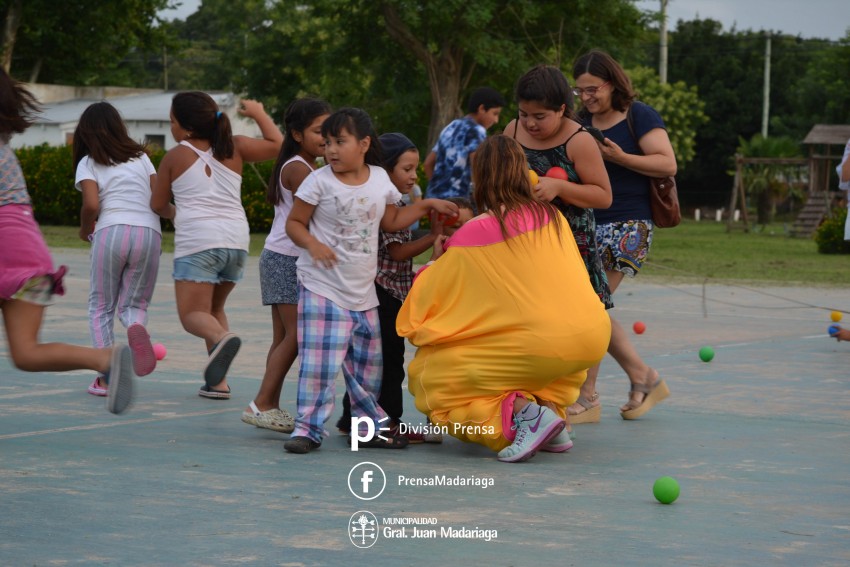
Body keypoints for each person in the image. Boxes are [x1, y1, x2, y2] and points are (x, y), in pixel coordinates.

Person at [397, 135, 611, 463]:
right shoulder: (554, 217)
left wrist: (434, 261)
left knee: (435, 376)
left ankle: (526, 417)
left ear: (480, 177)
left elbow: (425, 300)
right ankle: (552, 416)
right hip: (590, 338)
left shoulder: (475, 232)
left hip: (541, 345)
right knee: (528, 356)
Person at [283, 108, 458, 454]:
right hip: (322, 287)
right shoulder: (318, 181)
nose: (331, 149)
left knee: (367, 368)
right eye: (327, 142)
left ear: (363, 144)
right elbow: (294, 223)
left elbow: (392, 221)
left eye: (340, 141)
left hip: (363, 293)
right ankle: (307, 429)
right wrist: (313, 244)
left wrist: (426, 207)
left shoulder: (379, 178)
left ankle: (369, 428)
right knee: (319, 364)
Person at [0, 69, 135, 414]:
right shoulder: (3, 146)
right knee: (26, 353)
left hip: (8, 249)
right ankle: (105, 358)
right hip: (27, 255)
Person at [151, 92, 283, 400]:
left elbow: (158, 205)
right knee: (213, 309)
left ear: (186, 128)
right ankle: (218, 383)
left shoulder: (175, 155)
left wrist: (175, 212)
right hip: (236, 242)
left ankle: (222, 338)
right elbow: (278, 146)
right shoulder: (234, 146)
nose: (171, 128)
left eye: (172, 122)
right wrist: (259, 113)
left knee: (192, 316)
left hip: (199, 242)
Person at [570, 50, 675, 421]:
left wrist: (620, 158)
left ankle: (587, 396)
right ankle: (642, 376)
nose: (586, 98)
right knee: (590, 305)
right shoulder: (579, 122)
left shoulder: (638, 115)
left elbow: (667, 162)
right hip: (586, 225)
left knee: (589, 305)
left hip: (629, 225)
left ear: (611, 84)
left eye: (592, 89)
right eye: (579, 91)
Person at [336, 132, 446, 442]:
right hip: (381, 291)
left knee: (368, 359)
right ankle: (387, 420)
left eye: (414, 169)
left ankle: (352, 417)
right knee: (387, 359)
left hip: (383, 289)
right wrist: (431, 236)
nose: (413, 176)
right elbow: (397, 251)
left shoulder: (392, 199)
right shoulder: (386, 201)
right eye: (406, 169)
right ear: (386, 168)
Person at [240, 97, 331, 433]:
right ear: (296, 134)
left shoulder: (305, 166)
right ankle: (261, 403)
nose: (327, 139)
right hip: (286, 260)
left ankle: (268, 404)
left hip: (282, 257)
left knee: (283, 336)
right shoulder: (298, 169)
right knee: (296, 335)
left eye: (331, 132)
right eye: (319, 132)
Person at [73, 102, 160, 398]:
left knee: (101, 306)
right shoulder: (142, 158)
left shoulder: (88, 162)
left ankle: (108, 376)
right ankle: (136, 326)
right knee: (134, 303)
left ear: (85, 132)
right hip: (149, 232)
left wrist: (86, 229)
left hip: (111, 231)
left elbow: (91, 205)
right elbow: (158, 197)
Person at [423, 87, 506, 201]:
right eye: (495, 113)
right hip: (459, 202)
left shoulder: (451, 126)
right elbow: (477, 166)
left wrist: (439, 190)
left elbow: (428, 164)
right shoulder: (477, 130)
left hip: (435, 199)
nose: (496, 120)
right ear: (482, 109)